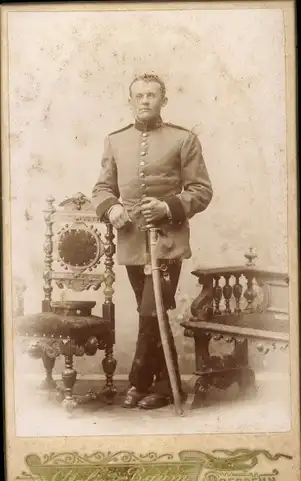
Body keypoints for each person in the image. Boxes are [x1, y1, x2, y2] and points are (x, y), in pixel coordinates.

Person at [92, 73, 213, 410]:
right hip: (132, 242)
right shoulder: (115, 141)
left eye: (152, 95)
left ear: (164, 100)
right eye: (139, 96)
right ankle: (161, 385)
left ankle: (140, 382)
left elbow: (202, 191)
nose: (145, 101)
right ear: (130, 101)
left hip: (168, 241)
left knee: (151, 312)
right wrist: (111, 207)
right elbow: (102, 188)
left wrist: (167, 206)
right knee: (152, 314)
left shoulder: (183, 139)